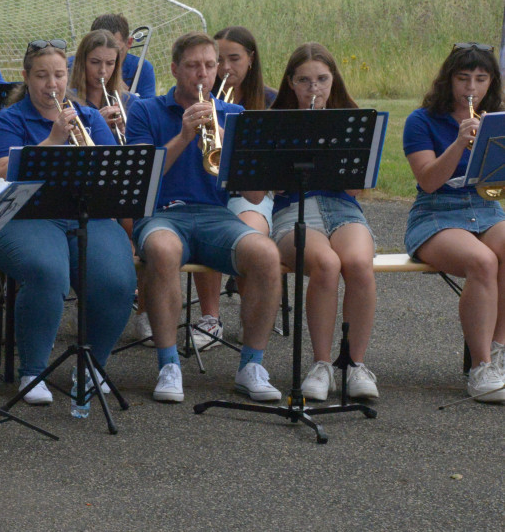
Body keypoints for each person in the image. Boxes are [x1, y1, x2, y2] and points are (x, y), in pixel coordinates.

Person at [126, 32, 283, 403]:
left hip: (215, 216)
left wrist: (232, 148)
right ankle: (168, 365)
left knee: (266, 255)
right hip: (162, 214)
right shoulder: (146, 111)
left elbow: (255, 195)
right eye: (194, 66)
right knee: (162, 251)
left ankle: (251, 366)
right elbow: (139, 182)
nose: (203, 74)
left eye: (210, 66)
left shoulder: (235, 115)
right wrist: (183, 136)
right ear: (175, 69)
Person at [0, 39, 135, 405]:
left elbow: (110, 171)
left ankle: (92, 365)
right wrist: (52, 140)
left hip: (84, 214)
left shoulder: (89, 116)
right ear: (26, 77)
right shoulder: (8, 119)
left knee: (119, 280)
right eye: (42, 76)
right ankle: (33, 371)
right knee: (48, 272)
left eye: (59, 75)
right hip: (23, 217)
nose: (52, 84)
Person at [269, 42, 379, 401]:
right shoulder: (274, 121)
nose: (313, 88)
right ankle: (320, 365)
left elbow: (356, 190)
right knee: (327, 264)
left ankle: (353, 365)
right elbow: (260, 189)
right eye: (304, 81)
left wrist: (334, 145)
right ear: (290, 83)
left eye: (321, 79)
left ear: (333, 81)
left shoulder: (350, 119)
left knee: (360, 263)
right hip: (292, 209)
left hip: (342, 208)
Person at [403, 42, 505, 402]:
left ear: (492, 82)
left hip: (485, 207)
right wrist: (460, 143)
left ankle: (499, 351)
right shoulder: (421, 121)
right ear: (448, 80)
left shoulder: (497, 119)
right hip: (436, 211)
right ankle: (480, 368)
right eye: (463, 79)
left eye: (481, 79)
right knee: (483, 261)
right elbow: (428, 180)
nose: (471, 88)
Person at [189, 26, 277, 350]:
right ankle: (210, 317)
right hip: (210, 185)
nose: (225, 68)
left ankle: (250, 314)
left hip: (252, 189)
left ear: (251, 60)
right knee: (207, 217)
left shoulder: (270, 100)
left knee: (245, 229)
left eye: (234, 59)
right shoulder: (201, 98)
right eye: (219, 60)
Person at [71, 13, 156, 99]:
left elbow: (148, 109)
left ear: (129, 43)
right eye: (95, 62)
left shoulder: (143, 68)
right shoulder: (68, 66)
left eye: (110, 62)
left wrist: (126, 99)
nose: (103, 70)